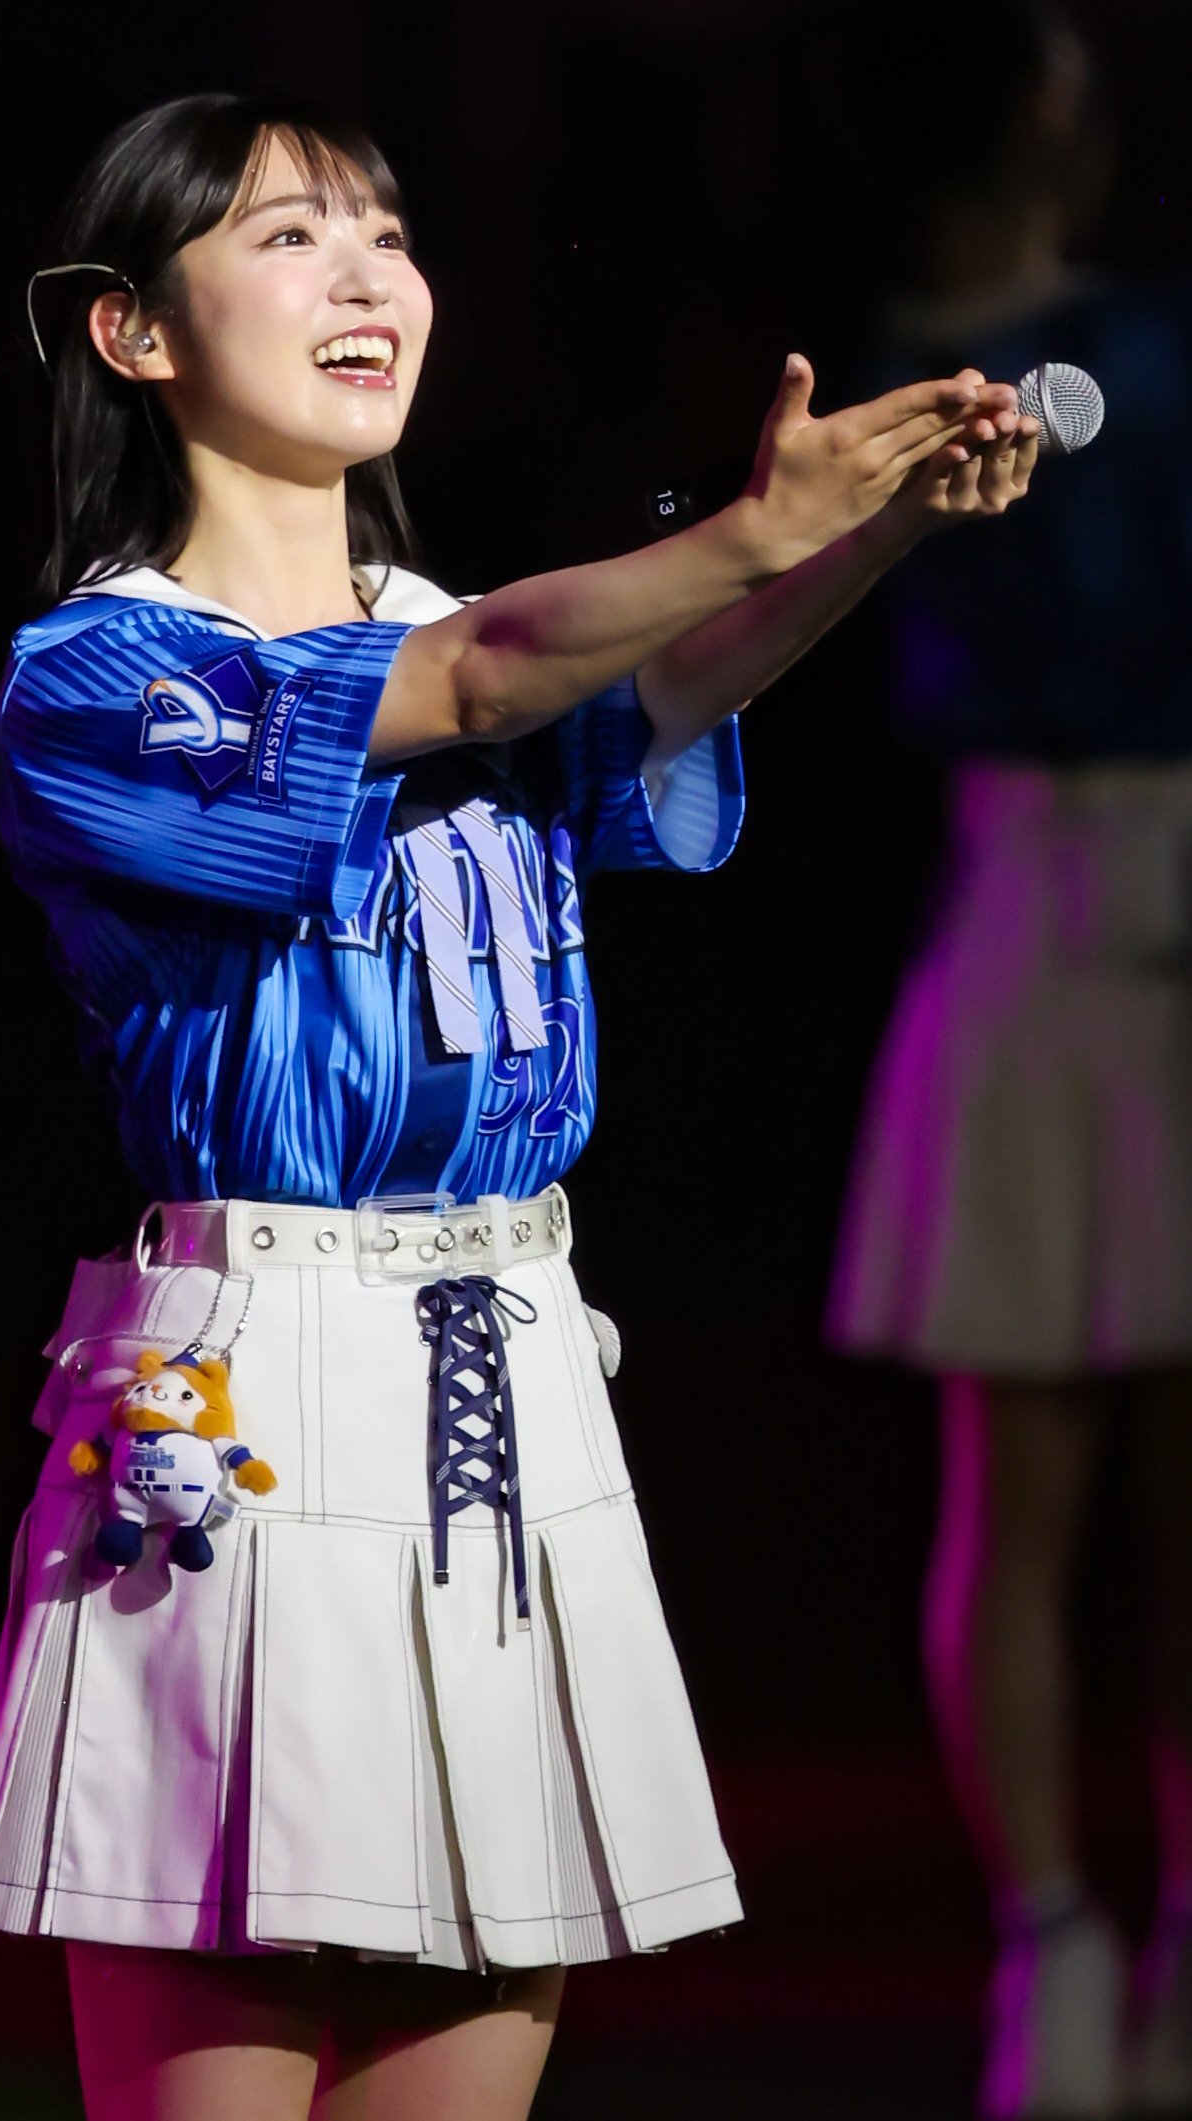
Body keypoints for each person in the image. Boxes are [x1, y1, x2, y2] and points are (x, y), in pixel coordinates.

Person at [0, 92, 1036, 2121]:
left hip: (509, 1382)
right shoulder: (97, 675)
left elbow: (654, 681)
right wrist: (751, 522)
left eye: (383, 231)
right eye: (288, 238)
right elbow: (480, 677)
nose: (364, 275)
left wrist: (872, 520)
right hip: (232, 1420)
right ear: (133, 334)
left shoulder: (466, 635)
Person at [826, 12, 1191, 2116]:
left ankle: (1090, 1950)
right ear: (1036, 109)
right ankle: (1057, 1957)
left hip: (1050, 921)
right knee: (1047, 1492)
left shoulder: (879, 359)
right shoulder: (954, 372)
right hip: (1041, 908)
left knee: (1052, 1500)